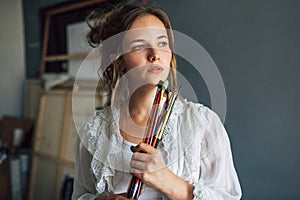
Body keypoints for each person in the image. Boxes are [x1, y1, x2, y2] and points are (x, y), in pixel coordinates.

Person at [72, 2, 242, 200]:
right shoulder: (94, 131)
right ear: (118, 60)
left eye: (162, 43)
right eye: (139, 46)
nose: (155, 55)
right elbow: (80, 196)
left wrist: (169, 182)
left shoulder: (203, 125)